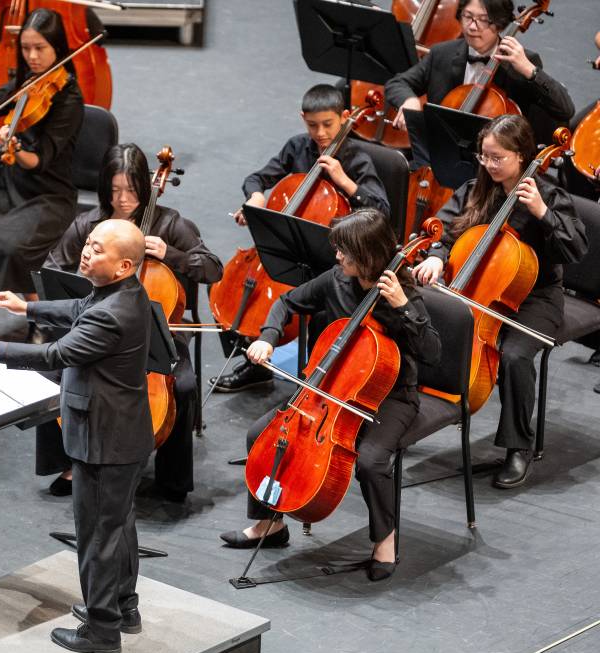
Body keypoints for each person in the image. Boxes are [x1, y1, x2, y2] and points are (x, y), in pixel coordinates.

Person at [219, 209, 441, 582]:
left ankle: (385, 541)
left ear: (367, 254)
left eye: (345, 251)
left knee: (371, 462)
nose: (337, 257)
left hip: (391, 395)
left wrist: (403, 306)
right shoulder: (337, 279)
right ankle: (269, 525)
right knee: (261, 433)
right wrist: (268, 338)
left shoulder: (402, 295)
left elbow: (433, 353)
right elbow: (286, 302)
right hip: (331, 387)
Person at [0, 219, 153, 653]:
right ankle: (123, 608)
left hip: (104, 440)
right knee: (118, 525)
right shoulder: (123, 294)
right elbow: (77, 308)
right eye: (88, 243)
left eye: (98, 249)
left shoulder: (111, 313)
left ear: (123, 265)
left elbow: (58, 353)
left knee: (97, 535)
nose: (86, 251)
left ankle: (102, 631)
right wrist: (26, 309)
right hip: (124, 433)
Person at [38, 143, 223, 502]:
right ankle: (69, 462)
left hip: (156, 335)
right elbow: (52, 270)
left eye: (132, 190)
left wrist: (173, 254)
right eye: (114, 190)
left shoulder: (169, 223)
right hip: (97, 331)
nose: (123, 200)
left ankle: (173, 479)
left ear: (145, 186)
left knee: (182, 386)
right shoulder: (89, 224)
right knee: (50, 374)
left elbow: (213, 268)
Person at [412, 114, 587, 488]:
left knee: (515, 357)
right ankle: (409, 416)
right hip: (480, 289)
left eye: (497, 158)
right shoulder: (476, 190)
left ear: (521, 155)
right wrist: (437, 256)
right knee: (421, 320)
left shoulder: (549, 196)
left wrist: (542, 213)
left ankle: (518, 447)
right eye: (484, 156)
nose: (489, 165)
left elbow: (576, 249)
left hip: (536, 296)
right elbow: (444, 232)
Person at [213, 83, 391, 393]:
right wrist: (255, 197)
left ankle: (317, 378)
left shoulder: (357, 159)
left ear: (345, 117)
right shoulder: (296, 147)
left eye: (328, 124)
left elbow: (382, 212)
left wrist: (345, 182)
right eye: (312, 125)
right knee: (227, 284)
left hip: (332, 258)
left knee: (321, 308)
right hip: (289, 248)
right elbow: (257, 178)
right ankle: (255, 365)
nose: (320, 133)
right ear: (302, 119)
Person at [0, 7, 85, 335]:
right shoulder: (28, 81)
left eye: (40, 48)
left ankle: (40, 322)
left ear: (57, 47)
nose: (32, 56)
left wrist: (15, 149)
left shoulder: (69, 98)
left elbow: (40, 160)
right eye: (26, 48)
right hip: (9, 185)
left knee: (15, 250)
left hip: (49, 194)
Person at [384, 0, 575, 146]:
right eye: (467, 17)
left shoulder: (521, 62)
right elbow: (397, 83)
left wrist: (529, 70)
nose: (472, 26)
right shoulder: (442, 53)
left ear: (500, 23)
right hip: (439, 156)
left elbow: (565, 109)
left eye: (483, 20)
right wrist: (409, 100)